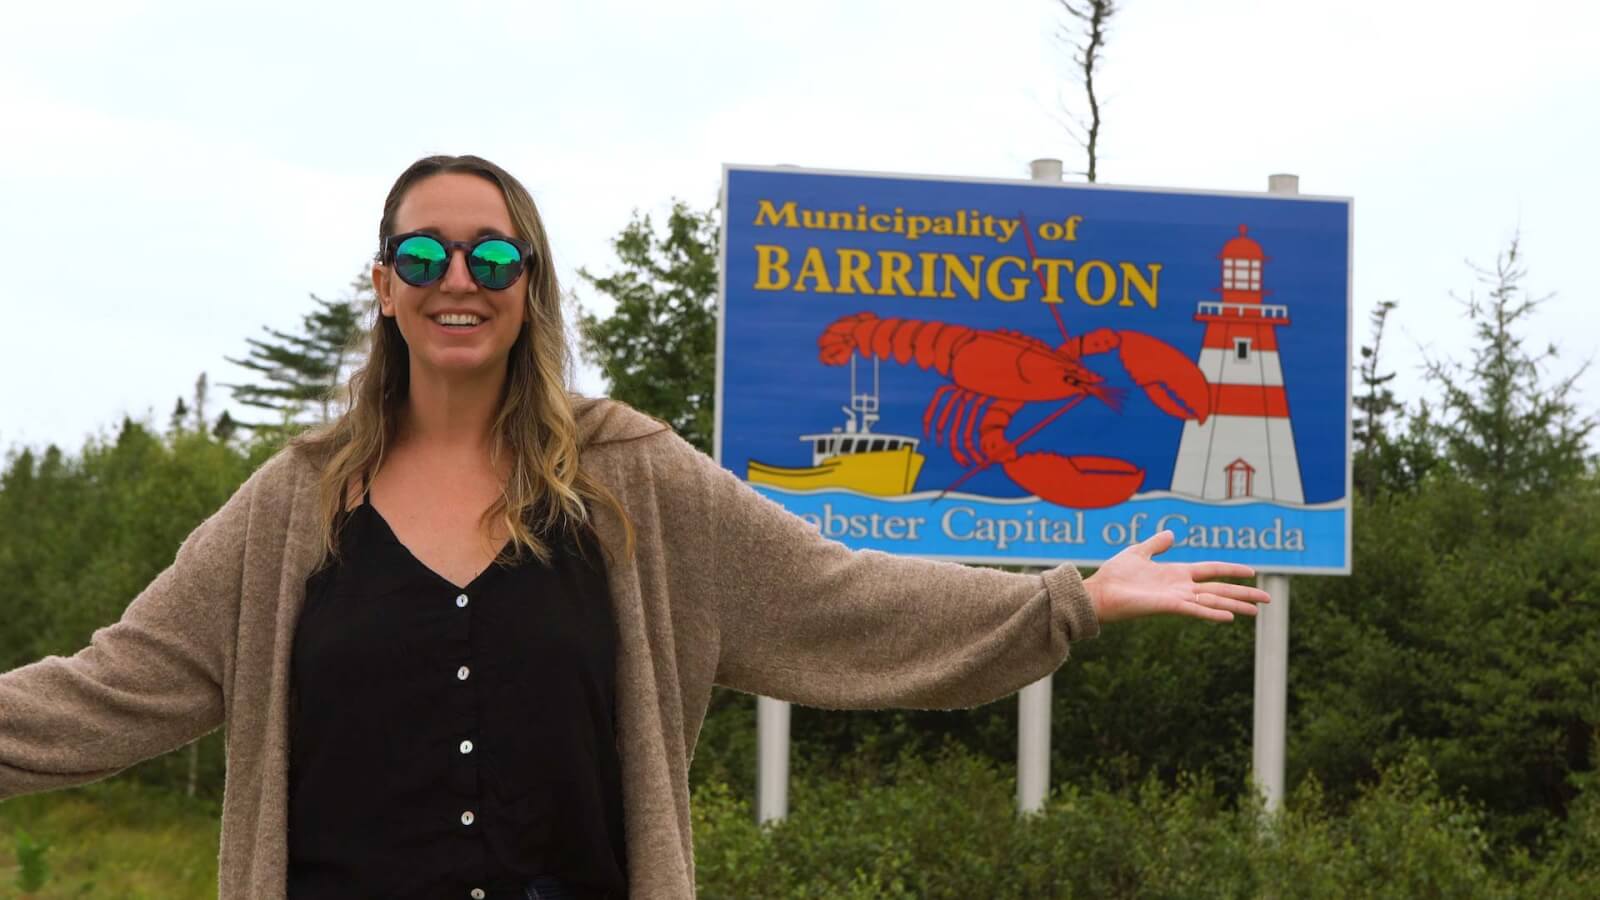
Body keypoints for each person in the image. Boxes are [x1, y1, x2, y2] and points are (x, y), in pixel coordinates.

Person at [0, 154, 1269, 899]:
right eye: (426, 256)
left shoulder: (630, 481)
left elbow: (839, 600)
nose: (460, 280)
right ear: (381, 286)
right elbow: (118, 686)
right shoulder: (291, 506)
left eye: (494, 260)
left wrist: (1065, 599)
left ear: (531, 288)